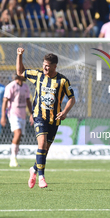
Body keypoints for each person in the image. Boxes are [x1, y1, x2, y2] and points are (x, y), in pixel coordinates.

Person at [16, 47, 75, 188]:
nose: (45, 68)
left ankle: (34, 169)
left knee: (45, 150)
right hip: (39, 116)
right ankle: (41, 177)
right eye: (44, 65)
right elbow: (20, 72)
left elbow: (72, 98)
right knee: (41, 144)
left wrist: (65, 112)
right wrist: (19, 56)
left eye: (48, 66)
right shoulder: (38, 75)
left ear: (55, 66)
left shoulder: (62, 81)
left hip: (54, 120)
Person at [1, 74, 33, 167]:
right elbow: (5, 101)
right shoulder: (11, 86)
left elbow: (28, 101)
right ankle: (12, 158)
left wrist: (31, 114)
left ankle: (14, 157)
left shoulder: (26, 87)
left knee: (19, 137)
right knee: (17, 133)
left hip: (22, 115)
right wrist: (3, 116)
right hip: (13, 114)